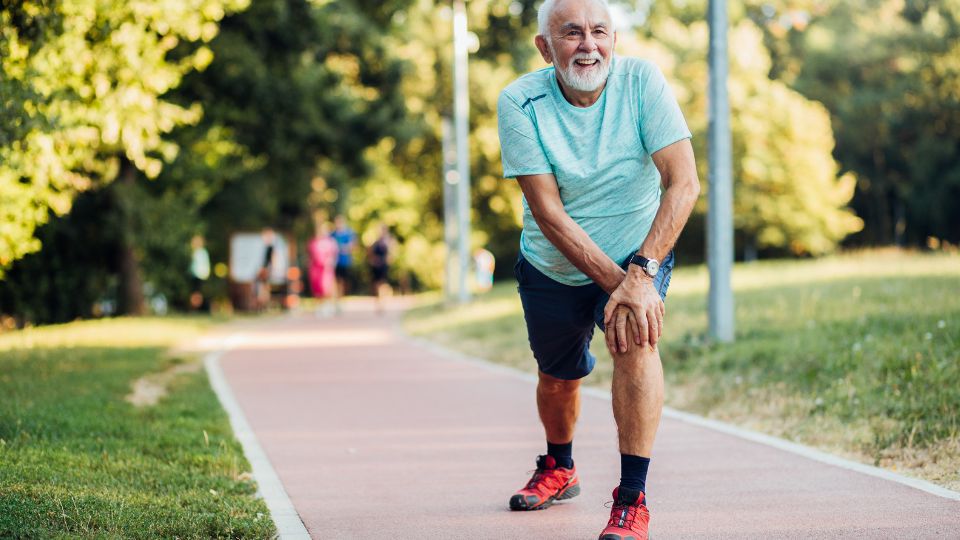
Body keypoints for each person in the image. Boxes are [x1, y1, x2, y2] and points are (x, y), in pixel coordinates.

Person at [496, 0, 700, 538]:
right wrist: (625, 285)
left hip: (639, 250)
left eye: (598, 31)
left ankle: (632, 500)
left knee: (636, 343)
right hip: (552, 264)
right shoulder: (520, 101)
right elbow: (549, 212)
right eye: (570, 33)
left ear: (614, 38)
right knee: (557, 378)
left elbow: (683, 182)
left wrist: (641, 277)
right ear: (545, 46)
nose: (588, 44)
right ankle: (559, 467)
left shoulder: (642, 82)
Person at [307, 221, 338, 316]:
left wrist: (331, 263)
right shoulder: (314, 242)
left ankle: (328, 306)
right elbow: (311, 256)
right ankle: (319, 307)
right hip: (316, 269)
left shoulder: (331, 242)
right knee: (317, 288)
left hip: (326, 269)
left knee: (327, 287)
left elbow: (334, 255)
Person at [331, 215, 356, 313]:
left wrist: (343, 248)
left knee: (343, 282)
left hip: (345, 261)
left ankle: (341, 299)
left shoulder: (349, 233)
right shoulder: (332, 234)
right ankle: (337, 301)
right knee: (336, 282)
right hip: (334, 262)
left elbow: (352, 246)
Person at [367, 223, 393, 314]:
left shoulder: (388, 241)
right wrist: (373, 261)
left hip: (384, 266)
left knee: (383, 284)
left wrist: (387, 260)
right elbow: (370, 253)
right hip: (376, 266)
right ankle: (378, 302)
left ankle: (383, 302)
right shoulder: (375, 242)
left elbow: (392, 254)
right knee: (376, 284)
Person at [255, 227, 277, 311]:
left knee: (264, 287)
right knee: (263, 287)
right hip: (265, 269)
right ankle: (263, 304)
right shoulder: (265, 247)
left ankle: (264, 304)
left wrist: (266, 269)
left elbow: (270, 260)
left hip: (266, 270)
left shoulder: (270, 247)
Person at [188, 235, 210, 311]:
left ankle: (196, 308)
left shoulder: (200, 252)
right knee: (197, 293)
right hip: (196, 275)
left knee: (196, 293)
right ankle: (197, 307)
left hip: (199, 275)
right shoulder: (200, 252)